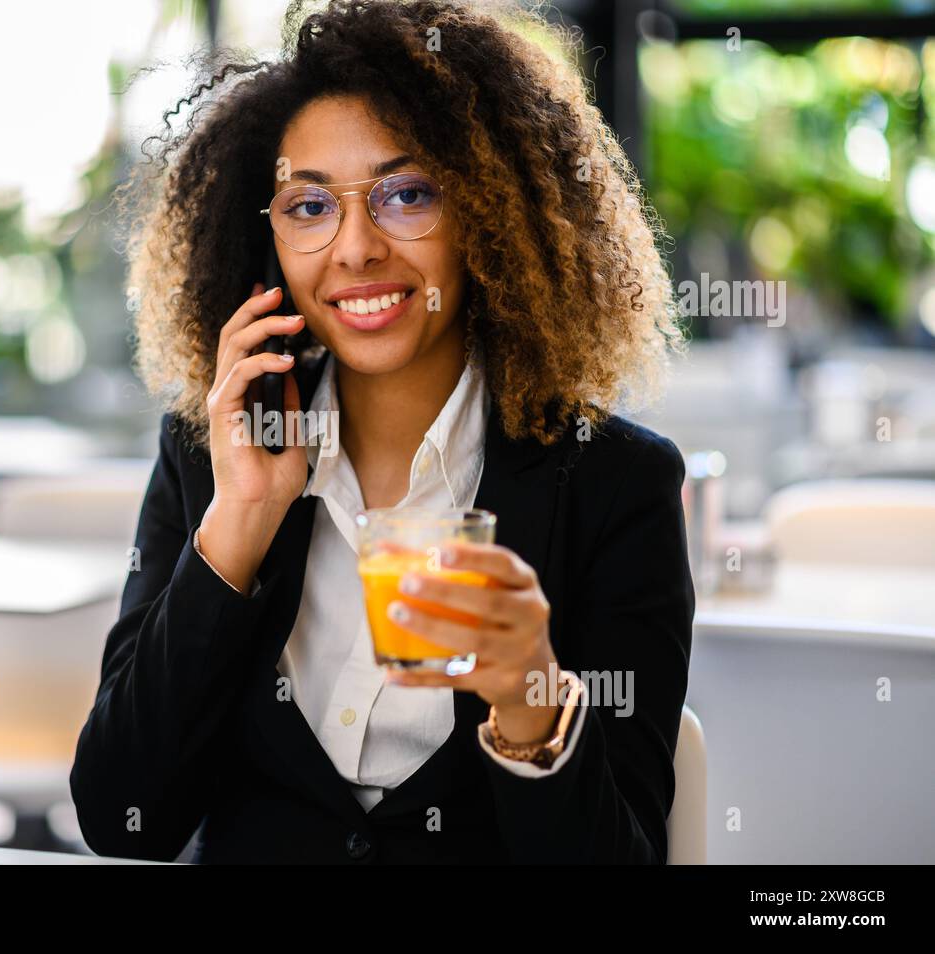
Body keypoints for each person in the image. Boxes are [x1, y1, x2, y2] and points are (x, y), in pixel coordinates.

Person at [70, 0, 693, 864]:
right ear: (267, 242)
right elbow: (121, 819)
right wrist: (238, 528)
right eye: (308, 206)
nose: (355, 249)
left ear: (489, 213)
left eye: (408, 195)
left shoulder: (613, 484)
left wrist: (529, 697)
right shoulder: (212, 455)